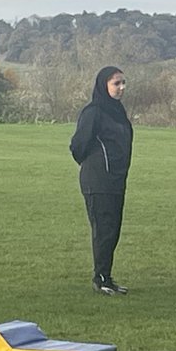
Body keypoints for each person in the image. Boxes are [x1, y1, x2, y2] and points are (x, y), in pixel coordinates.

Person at [69, 66, 134, 295]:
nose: (121, 88)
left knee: (113, 230)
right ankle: (101, 278)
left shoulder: (117, 111)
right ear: (103, 85)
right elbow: (78, 145)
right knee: (104, 230)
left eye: (123, 83)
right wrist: (95, 165)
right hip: (98, 181)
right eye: (116, 83)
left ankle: (107, 276)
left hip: (117, 180)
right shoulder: (93, 112)